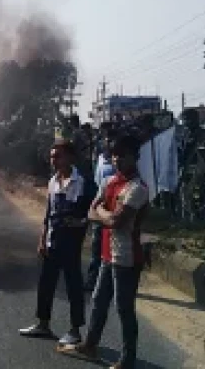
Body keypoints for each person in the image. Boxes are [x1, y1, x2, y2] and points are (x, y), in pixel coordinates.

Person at [63, 134, 149, 369]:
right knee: (99, 301)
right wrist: (104, 214)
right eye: (114, 155)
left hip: (127, 256)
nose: (117, 159)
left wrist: (101, 212)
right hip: (107, 253)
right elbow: (92, 213)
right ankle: (90, 344)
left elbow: (116, 221)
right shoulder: (111, 181)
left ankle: (127, 359)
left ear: (135, 157)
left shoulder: (137, 188)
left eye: (122, 155)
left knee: (124, 309)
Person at [19, 140, 93, 346]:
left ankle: (75, 330)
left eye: (58, 156)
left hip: (71, 243)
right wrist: (42, 238)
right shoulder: (52, 182)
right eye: (52, 156)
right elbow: (48, 214)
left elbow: (93, 211)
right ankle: (43, 324)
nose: (53, 160)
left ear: (70, 157)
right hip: (52, 240)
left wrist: (79, 222)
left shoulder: (83, 183)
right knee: (45, 284)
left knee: (73, 287)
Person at [85, 129, 117, 290]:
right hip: (100, 207)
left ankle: (111, 283)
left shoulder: (117, 163)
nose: (107, 142)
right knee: (96, 249)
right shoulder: (99, 159)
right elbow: (98, 182)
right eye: (106, 139)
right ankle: (92, 281)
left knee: (113, 252)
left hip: (115, 211)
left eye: (110, 139)